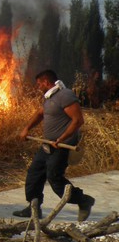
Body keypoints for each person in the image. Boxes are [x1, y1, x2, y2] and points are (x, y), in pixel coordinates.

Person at [13, 69, 95, 221]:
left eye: (39, 84)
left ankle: (83, 201)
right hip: (47, 145)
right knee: (34, 174)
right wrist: (26, 129)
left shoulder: (65, 96)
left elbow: (78, 120)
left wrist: (61, 139)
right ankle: (33, 208)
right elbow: (39, 114)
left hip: (61, 147)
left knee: (55, 178)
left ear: (46, 82)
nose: (38, 87)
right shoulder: (50, 98)